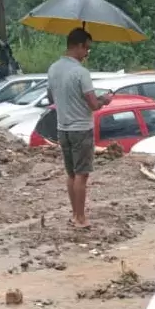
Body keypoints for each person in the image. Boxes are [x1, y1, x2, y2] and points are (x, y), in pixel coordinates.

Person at [45, 28, 109, 229]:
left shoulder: (53, 68)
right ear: (79, 45)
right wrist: (104, 101)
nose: (87, 53)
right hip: (81, 128)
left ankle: (75, 214)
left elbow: (50, 98)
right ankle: (81, 218)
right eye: (87, 48)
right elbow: (92, 103)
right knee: (82, 174)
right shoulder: (81, 72)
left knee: (71, 174)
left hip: (62, 128)